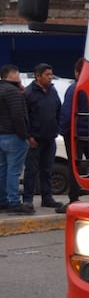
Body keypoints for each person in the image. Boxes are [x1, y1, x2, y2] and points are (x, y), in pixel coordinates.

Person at [22, 63, 64, 211]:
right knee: (31, 170)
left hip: (50, 138)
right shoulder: (29, 93)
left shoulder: (52, 90)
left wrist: (57, 128)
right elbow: (24, 116)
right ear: (38, 76)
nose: (50, 77)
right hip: (35, 140)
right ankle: (27, 199)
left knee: (47, 169)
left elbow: (58, 109)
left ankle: (47, 197)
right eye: (47, 75)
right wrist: (28, 136)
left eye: (51, 74)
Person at [0, 65, 32, 215]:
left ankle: (2, 200)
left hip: (1, 136)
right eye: (17, 73)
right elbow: (18, 116)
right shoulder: (13, 92)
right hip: (14, 136)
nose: (19, 76)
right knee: (14, 171)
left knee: (3, 170)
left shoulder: (2, 89)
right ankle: (14, 202)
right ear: (11, 75)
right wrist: (23, 135)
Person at [59, 57, 89, 208]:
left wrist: (64, 131)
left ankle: (73, 198)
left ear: (77, 72)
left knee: (74, 166)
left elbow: (67, 112)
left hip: (75, 134)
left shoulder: (75, 88)